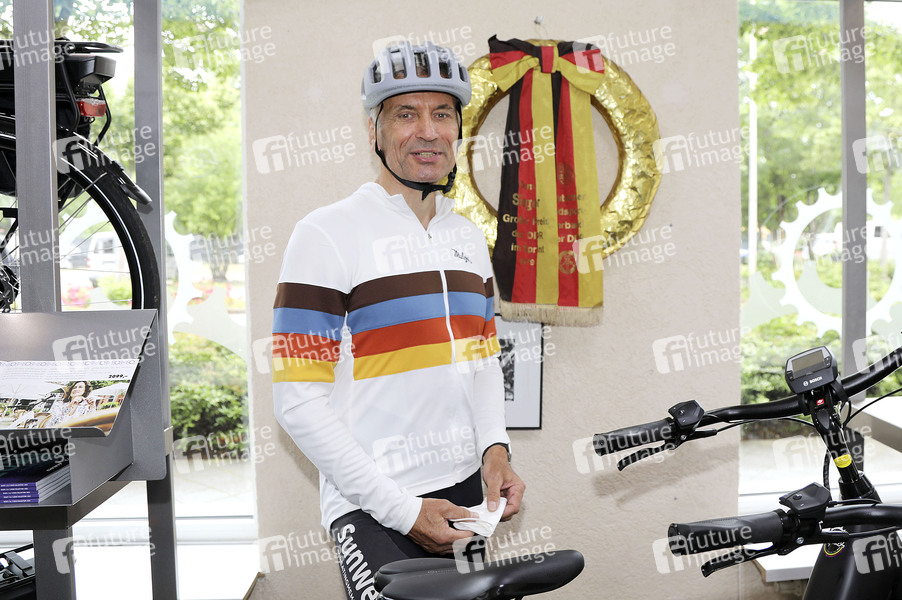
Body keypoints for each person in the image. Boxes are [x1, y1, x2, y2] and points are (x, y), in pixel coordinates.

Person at [272, 40, 525, 598]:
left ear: (458, 131)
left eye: (443, 114)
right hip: (373, 504)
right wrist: (403, 511)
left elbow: (483, 363)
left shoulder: (468, 238)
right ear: (374, 131)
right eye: (406, 114)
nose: (428, 132)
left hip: (464, 493)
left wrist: (495, 451)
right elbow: (296, 401)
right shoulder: (325, 234)